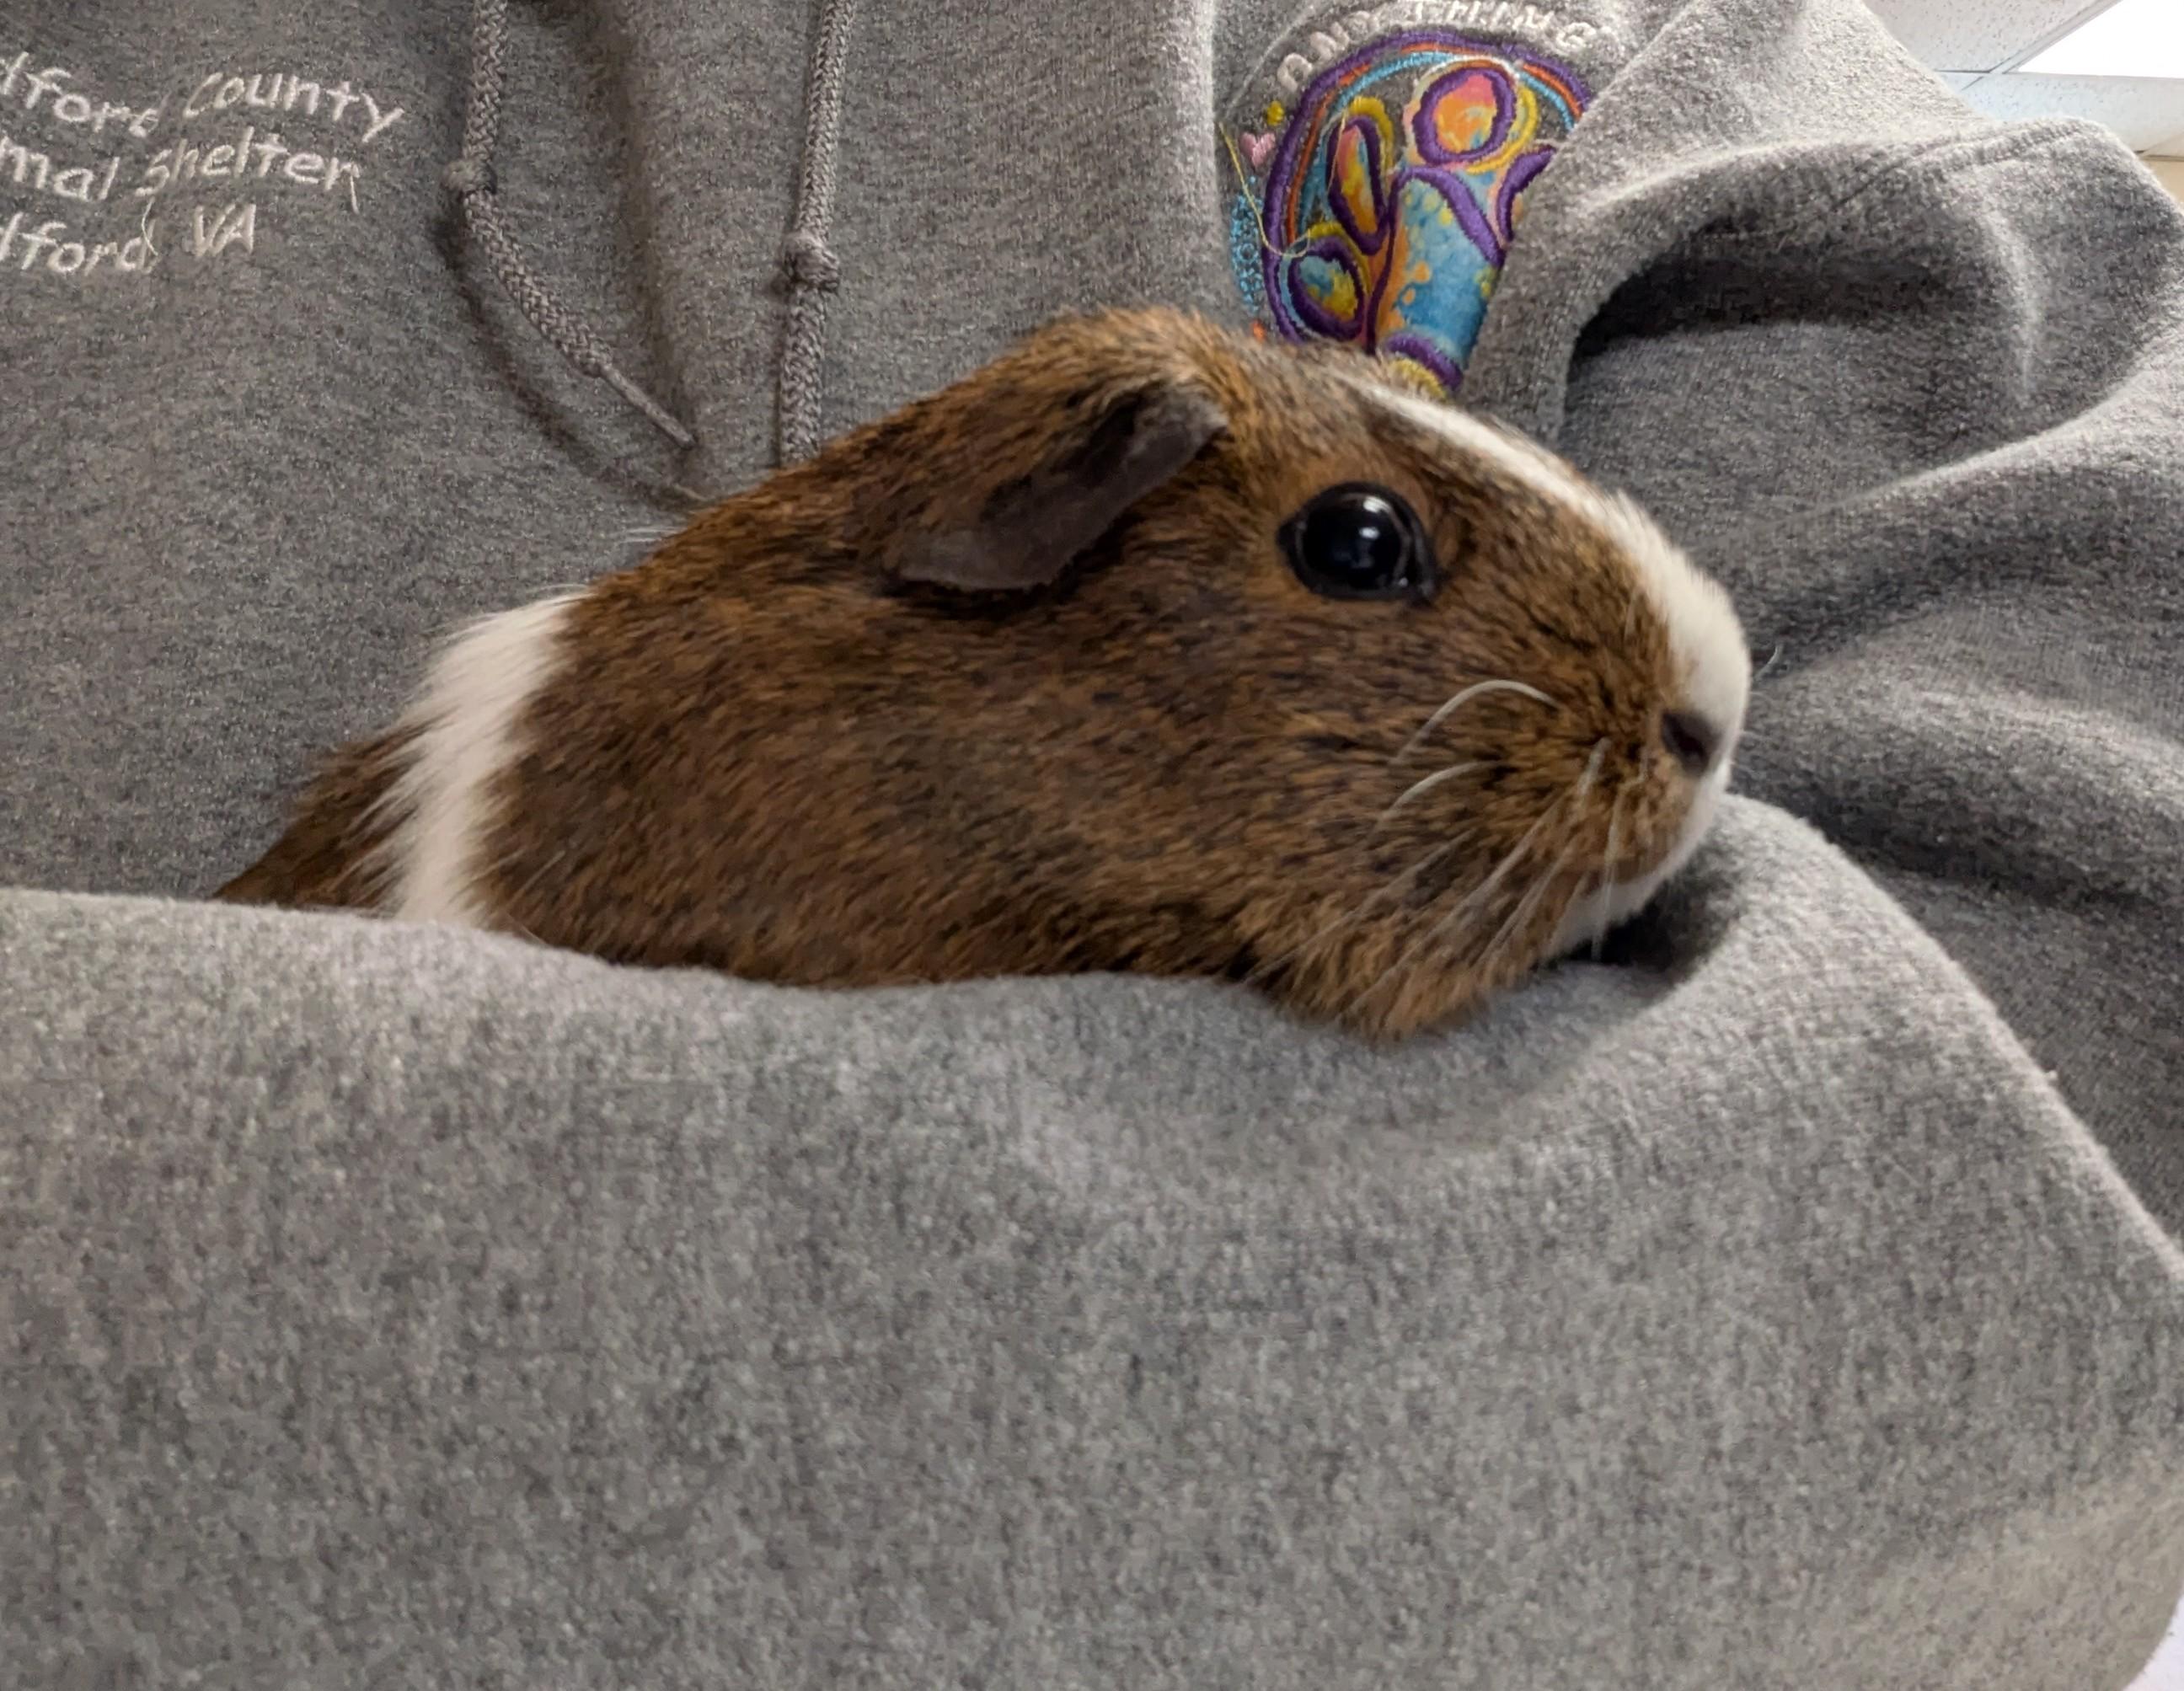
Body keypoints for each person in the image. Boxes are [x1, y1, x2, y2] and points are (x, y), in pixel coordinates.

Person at [4, 0, 2181, 1683]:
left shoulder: (1675, 98)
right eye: (1359, 546)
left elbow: (2047, 1229)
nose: (1691, 727)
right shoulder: (758, 737)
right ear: (1018, 550)